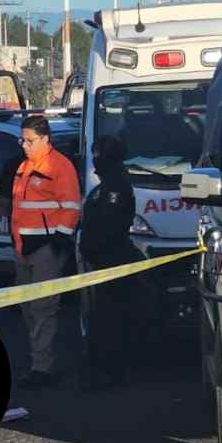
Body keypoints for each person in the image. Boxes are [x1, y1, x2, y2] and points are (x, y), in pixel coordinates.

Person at [11, 115, 82, 387]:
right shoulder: (24, 167)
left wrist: (58, 242)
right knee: (27, 307)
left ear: (44, 139)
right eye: (23, 140)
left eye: (30, 141)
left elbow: (71, 206)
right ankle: (38, 361)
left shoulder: (59, 166)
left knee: (43, 308)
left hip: (45, 249)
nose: (24, 145)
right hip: (23, 248)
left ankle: (42, 367)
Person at [78, 135, 141, 390]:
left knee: (111, 320)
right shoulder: (103, 187)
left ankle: (111, 373)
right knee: (101, 319)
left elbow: (112, 226)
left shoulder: (116, 187)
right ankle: (102, 369)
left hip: (112, 262)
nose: (94, 161)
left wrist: (95, 249)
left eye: (97, 155)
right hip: (99, 263)